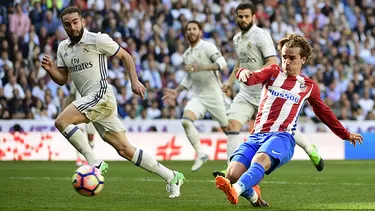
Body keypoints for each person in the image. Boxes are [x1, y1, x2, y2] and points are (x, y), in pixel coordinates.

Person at [40, 6, 184, 198]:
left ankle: (94, 162)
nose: (72, 27)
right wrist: (51, 70)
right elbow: (62, 79)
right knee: (125, 150)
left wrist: (134, 81)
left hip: (101, 94)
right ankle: (172, 176)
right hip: (92, 101)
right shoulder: (63, 48)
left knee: (61, 121)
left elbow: (125, 56)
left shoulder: (97, 39)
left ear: (82, 21)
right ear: (63, 26)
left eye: (75, 22)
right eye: (67, 24)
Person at [215, 33, 363, 207]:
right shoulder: (273, 72)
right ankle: (253, 196)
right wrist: (243, 72)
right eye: (284, 56)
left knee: (259, 161)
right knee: (232, 174)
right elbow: (251, 78)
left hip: (282, 137)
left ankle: (237, 190)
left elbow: (324, 112)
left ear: (303, 59)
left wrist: (345, 134)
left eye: (292, 58)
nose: (287, 61)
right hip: (257, 135)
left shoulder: (308, 86)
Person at [214, 3, 324, 178]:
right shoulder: (237, 39)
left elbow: (273, 62)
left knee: (280, 130)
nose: (243, 19)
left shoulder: (261, 36)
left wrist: (255, 76)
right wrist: (230, 81)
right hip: (245, 92)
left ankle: (309, 148)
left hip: (267, 92)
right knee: (231, 125)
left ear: (253, 17)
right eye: (240, 16)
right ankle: (230, 167)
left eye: (246, 16)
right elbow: (241, 61)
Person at [162, 20, 229, 172]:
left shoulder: (207, 46)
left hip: (215, 95)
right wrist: (177, 91)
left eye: (194, 29)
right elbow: (189, 77)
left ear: (200, 31)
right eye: (188, 29)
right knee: (186, 121)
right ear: (185, 34)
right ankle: (201, 153)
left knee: (229, 130)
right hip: (198, 96)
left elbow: (222, 63)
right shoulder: (186, 55)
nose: (191, 32)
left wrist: (202, 67)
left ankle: (236, 162)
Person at [69, 82, 96, 166]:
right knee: (78, 133)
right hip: (79, 109)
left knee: (91, 136)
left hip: (92, 109)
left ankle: (89, 158)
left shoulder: (94, 78)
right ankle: (79, 158)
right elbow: (71, 95)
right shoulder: (74, 79)